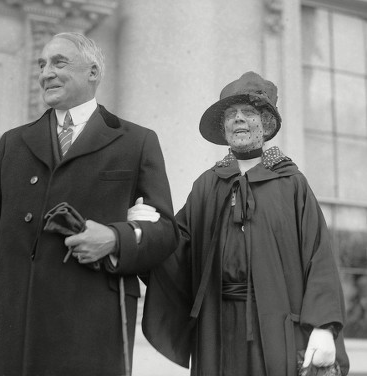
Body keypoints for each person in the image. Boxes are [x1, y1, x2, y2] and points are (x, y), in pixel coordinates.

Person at [0, 32, 178, 376]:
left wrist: (115, 238)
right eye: (42, 64)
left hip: (91, 323)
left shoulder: (136, 141)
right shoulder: (13, 143)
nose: (46, 72)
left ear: (93, 72)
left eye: (59, 63)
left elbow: (165, 231)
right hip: (13, 321)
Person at [130, 72, 350, 375]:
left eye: (248, 112)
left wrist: (324, 327)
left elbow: (319, 256)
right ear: (224, 127)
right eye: (230, 115)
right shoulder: (207, 185)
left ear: (266, 123)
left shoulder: (292, 184)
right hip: (217, 326)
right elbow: (175, 249)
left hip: (276, 326)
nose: (238, 120)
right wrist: (145, 233)